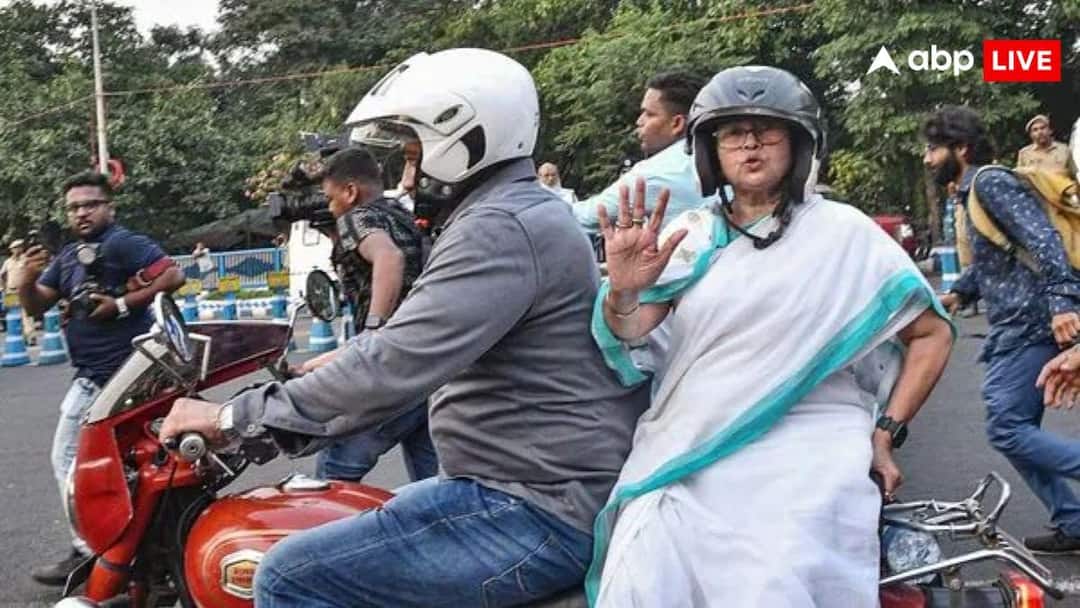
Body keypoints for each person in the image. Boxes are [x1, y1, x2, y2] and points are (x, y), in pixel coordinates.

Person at [159, 48, 649, 607]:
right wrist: (333, 368)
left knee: (288, 575)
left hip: (533, 507)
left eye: (414, 156)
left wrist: (231, 418)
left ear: (465, 144)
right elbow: (414, 338)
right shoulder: (512, 213)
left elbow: (395, 364)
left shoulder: (499, 227)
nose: (407, 176)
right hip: (517, 484)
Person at [587, 66, 953, 607]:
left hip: (813, 435)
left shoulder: (844, 233)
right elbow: (632, 329)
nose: (750, 144)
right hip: (691, 439)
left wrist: (885, 433)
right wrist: (623, 290)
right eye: (733, 133)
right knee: (644, 561)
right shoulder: (689, 235)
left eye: (768, 131)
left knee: (774, 573)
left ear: (800, 145)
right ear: (710, 151)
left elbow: (931, 334)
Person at [16, 171, 185, 585]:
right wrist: (25, 280)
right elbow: (37, 306)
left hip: (119, 376)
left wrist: (122, 306)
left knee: (70, 459)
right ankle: (122, 551)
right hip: (93, 376)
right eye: (74, 207)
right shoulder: (68, 257)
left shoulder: (122, 243)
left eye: (90, 204)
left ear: (110, 207)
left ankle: (93, 553)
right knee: (114, 467)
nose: (82, 213)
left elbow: (173, 275)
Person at [931, 106, 1080, 554]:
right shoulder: (972, 192)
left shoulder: (991, 183)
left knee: (1007, 428)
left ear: (961, 148)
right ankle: (1072, 521)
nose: (927, 158)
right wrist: (959, 293)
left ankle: (1072, 519)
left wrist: (1062, 304)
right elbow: (998, 258)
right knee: (1015, 430)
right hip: (1016, 323)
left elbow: (1043, 239)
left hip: (1030, 322)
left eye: (934, 149)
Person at [301, 146, 437, 482]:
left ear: (350, 191)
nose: (329, 207)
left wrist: (373, 331)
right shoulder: (399, 213)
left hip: (391, 368)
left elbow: (389, 258)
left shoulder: (355, 217)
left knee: (332, 472)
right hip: (428, 363)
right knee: (431, 478)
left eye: (330, 198)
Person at [571, 70, 715, 231]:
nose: (639, 121)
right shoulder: (723, 156)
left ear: (677, 124)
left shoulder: (655, 173)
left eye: (649, 114)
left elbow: (586, 217)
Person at [1, 239, 34, 343]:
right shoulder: (7, 262)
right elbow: (2, 275)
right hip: (10, 291)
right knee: (13, 315)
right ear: (11, 250)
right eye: (16, 248)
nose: (18, 249)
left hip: (24, 290)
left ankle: (30, 337)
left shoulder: (26, 259)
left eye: (20, 247)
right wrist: (4, 288)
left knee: (27, 314)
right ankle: (19, 338)